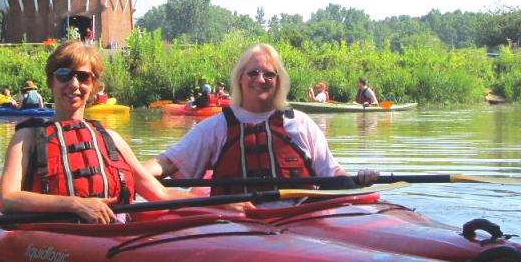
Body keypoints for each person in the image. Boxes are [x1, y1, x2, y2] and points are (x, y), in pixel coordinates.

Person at [145, 44, 378, 198]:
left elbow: (331, 172)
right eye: (253, 73)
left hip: (301, 223)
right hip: (236, 228)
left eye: (269, 74)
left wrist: (358, 180)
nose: (261, 79)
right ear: (239, 78)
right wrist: (127, 178)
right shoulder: (218, 127)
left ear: (279, 81)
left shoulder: (300, 123)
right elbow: (166, 163)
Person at [0, 41, 187, 222]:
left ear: (93, 85)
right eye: (63, 75)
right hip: (54, 240)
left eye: (83, 77)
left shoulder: (112, 139)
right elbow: (8, 199)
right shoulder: (26, 138)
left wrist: (214, 206)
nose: (74, 84)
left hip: (113, 235)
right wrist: (75, 204)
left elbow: (160, 194)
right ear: (51, 81)